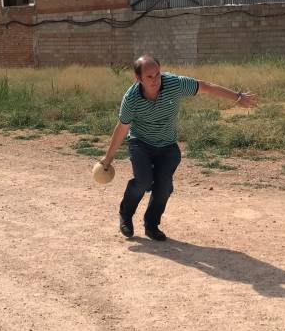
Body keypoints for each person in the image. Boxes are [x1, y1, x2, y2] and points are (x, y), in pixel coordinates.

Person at [100, 55, 257, 241]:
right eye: (149, 77)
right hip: (140, 143)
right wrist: (108, 158)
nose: (155, 80)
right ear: (139, 78)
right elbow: (122, 128)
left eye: (157, 74)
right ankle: (126, 215)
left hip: (167, 145)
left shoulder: (174, 83)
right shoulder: (132, 98)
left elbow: (205, 86)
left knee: (164, 186)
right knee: (143, 181)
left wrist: (237, 97)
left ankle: (151, 224)